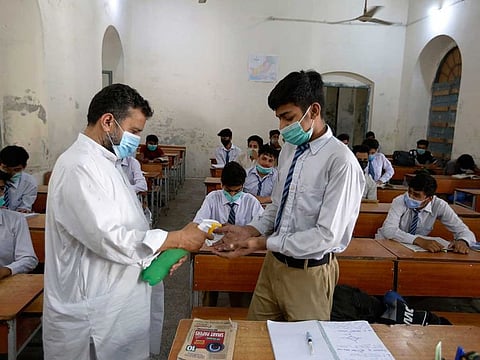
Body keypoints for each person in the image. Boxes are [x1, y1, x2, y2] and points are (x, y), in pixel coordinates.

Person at [43, 84, 210, 360]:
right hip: (92, 311)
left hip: (117, 301)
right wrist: (176, 238)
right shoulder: (78, 166)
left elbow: (129, 229)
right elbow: (107, 237)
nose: (137, 140)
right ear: (108, 121)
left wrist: (159, 252)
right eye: (133, 132)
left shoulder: (108, 162)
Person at [213, 70, 365, 322]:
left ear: (314, 111)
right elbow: (277, 206)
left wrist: (261, 243)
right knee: (255, 339)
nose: (282, 127)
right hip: (273, 265)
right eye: (279, 119)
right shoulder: (290, 149)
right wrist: (250, 230)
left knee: (304, 348)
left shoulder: (341, 162)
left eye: (288, 117)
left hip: (308, 274)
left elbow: (326, 236)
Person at [193, 161, 264, 306]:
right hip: (214, 250)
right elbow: (198, 224)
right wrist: (213, 228)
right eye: (229, 190)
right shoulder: (213, 198)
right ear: (222, 184)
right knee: (208, 280)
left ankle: (238, 307)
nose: (232, 194)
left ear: (243, 186)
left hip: (241, 253)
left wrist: (241, 231)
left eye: (237, 191)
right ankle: (208, 309)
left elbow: (262, 228)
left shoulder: (251, 201)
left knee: (240, 286)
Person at [376, 173, 475, 253]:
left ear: (429, 198)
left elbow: (464, 231)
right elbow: (388, 230)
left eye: (416, 195)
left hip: (415, 249)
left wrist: (463, 241)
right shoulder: (400, 200)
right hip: (388, 243)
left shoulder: (439, 205)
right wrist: (418, 240)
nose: (410, 196)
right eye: (409, 191)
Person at [0, 171, 38, 279]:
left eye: (1, 189)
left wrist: (8, 270)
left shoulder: (16, 219)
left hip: (6, 282)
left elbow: (29, 259)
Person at [0, 145, 38, 212]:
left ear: (24, 166)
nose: (11, 173)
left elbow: (25, 207)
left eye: (16, 170)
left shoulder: (29, 183)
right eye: (6, 169)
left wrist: (23, 211)